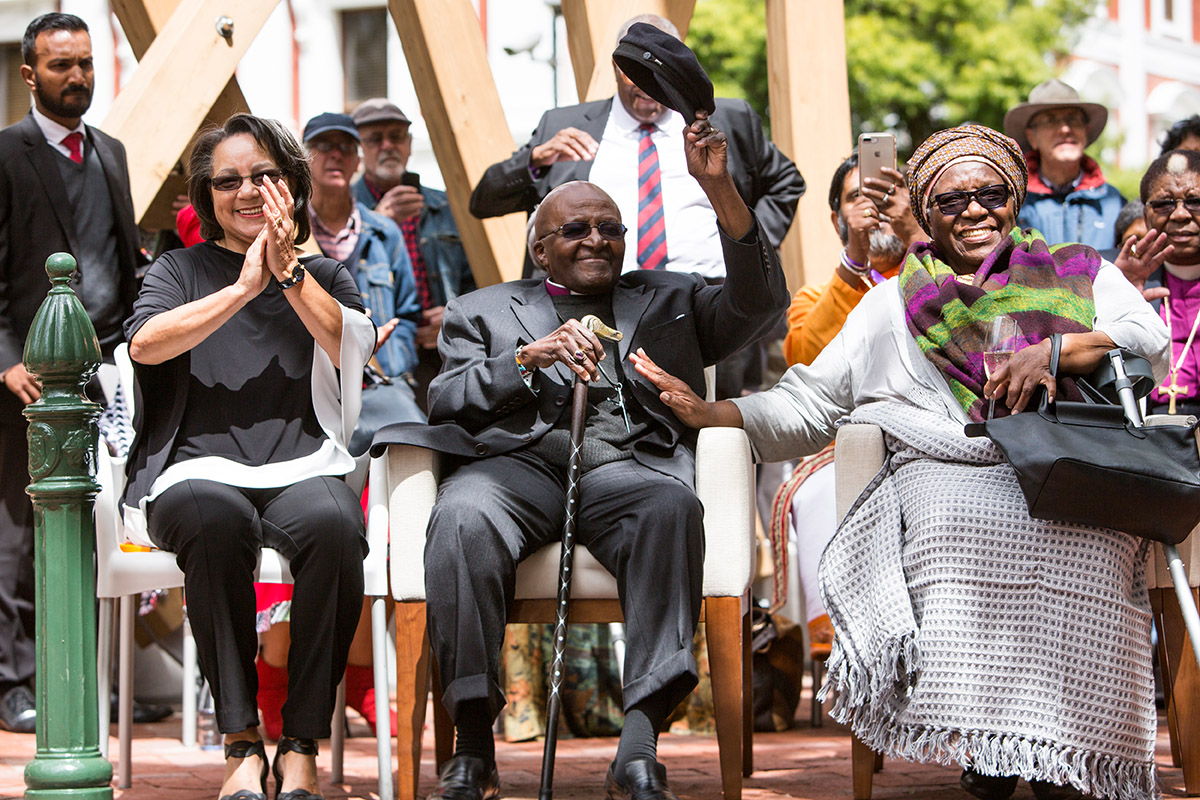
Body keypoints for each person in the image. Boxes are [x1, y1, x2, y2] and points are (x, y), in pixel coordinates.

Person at [633, 124, 1168, 800]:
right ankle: (991, 745)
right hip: (948, 464)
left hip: (1066, 458)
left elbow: (1146, 337)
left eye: (989, 193)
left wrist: (1055, 352)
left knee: (1082, 530)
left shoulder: (1078, 269)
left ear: (1015, 198)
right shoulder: (890, 304)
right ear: (925, 212)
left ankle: (1058, 742)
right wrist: (716, 414)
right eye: (950, 201)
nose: (972, 210)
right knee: (956, 520)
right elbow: (811, 402)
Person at [372, 111, 788, 800]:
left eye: (609, 228)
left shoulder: (672, 295)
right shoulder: (484, 309)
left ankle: (639, 743)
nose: (597, 238)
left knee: (672, 506)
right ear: (539, 250)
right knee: (461, 517)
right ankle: (473, 743)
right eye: (576, 229)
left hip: (630, 467)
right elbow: (446, 399)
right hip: (517, 469)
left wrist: (722, 194)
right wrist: (526, 361)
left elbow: (760, 302)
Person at [121, 113, 375, 800]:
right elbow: (144, 344)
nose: (246, 191)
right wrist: (240, 291)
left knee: (336, 528)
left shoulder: (324, 274)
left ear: (290, 186)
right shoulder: (178, 268)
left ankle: (299, 743)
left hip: (300, 464)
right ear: (207, 198)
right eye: (227, 180)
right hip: (195, 467)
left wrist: (288, 274)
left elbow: (353, 347)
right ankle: (240, 742)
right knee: (212, 522)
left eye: (263, 175)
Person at [0, 12, 143, 734]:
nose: (78, 77)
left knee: (102, 530)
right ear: (30, 73)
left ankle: (92, 682)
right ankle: (16, 685)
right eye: (61, 65)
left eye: (85, 62)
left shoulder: (112, 152)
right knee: (19, 539)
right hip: (28, 383)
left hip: (109, 378)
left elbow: (125, 260)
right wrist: (7, 363)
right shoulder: (5, 154)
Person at [773, 151, 922, 660]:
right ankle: (844, 652)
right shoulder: (816, 295)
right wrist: (856, 263)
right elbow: (806, 361)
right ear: (836, 218)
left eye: (884, 193)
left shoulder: (937, 276)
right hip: (842, 451)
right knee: (818, 496)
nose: (871, 207)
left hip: (930, 446)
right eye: (856, 197)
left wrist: (917, 237)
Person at [350, 98, 475, 407]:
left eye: (397, 136)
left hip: (443, 352)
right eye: (376, 139)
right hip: (379, 354)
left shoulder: (446, 206)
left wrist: (453, 315)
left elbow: (478, 279)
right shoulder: (347, 211)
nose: (388, 145)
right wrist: (376, 222)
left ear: (409, 144)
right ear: (360, 149)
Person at [1118, 149, 1200, 417]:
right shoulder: (1118, 279)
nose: (1179, 215)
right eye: (1164, 204)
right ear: (1145, 213)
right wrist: (1114, 298)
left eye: (1195, 201)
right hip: (1145, 433)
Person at [1004, 79, 1124, 249]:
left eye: (1073, 120)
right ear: (1032, 136)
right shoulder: (1012, 202)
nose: (1065, 129)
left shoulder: (1114, 202)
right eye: (1051, 121)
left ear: (1086, 131)